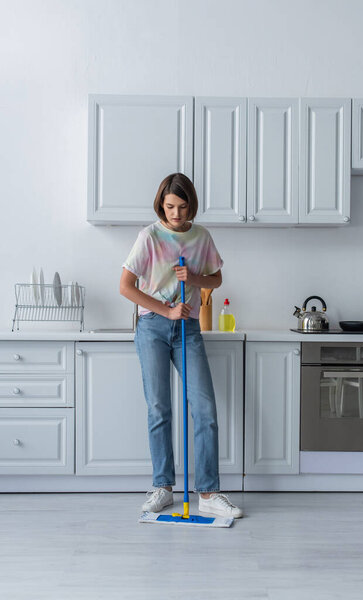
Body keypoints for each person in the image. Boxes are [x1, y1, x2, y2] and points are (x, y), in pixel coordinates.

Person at [120, 172, 243, 519]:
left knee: (205, 408)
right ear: (161, 203)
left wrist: (197, 280)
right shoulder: (149, 237)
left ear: (192, 205)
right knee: (159, 408)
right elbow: (126, 286)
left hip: (188, 329)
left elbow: (216, 278)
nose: (175, 214)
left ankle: (208, 492)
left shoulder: (201, 237)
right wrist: (167, 309)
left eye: (183, 207)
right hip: (153, 327)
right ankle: (163, 487)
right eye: (170, 206)